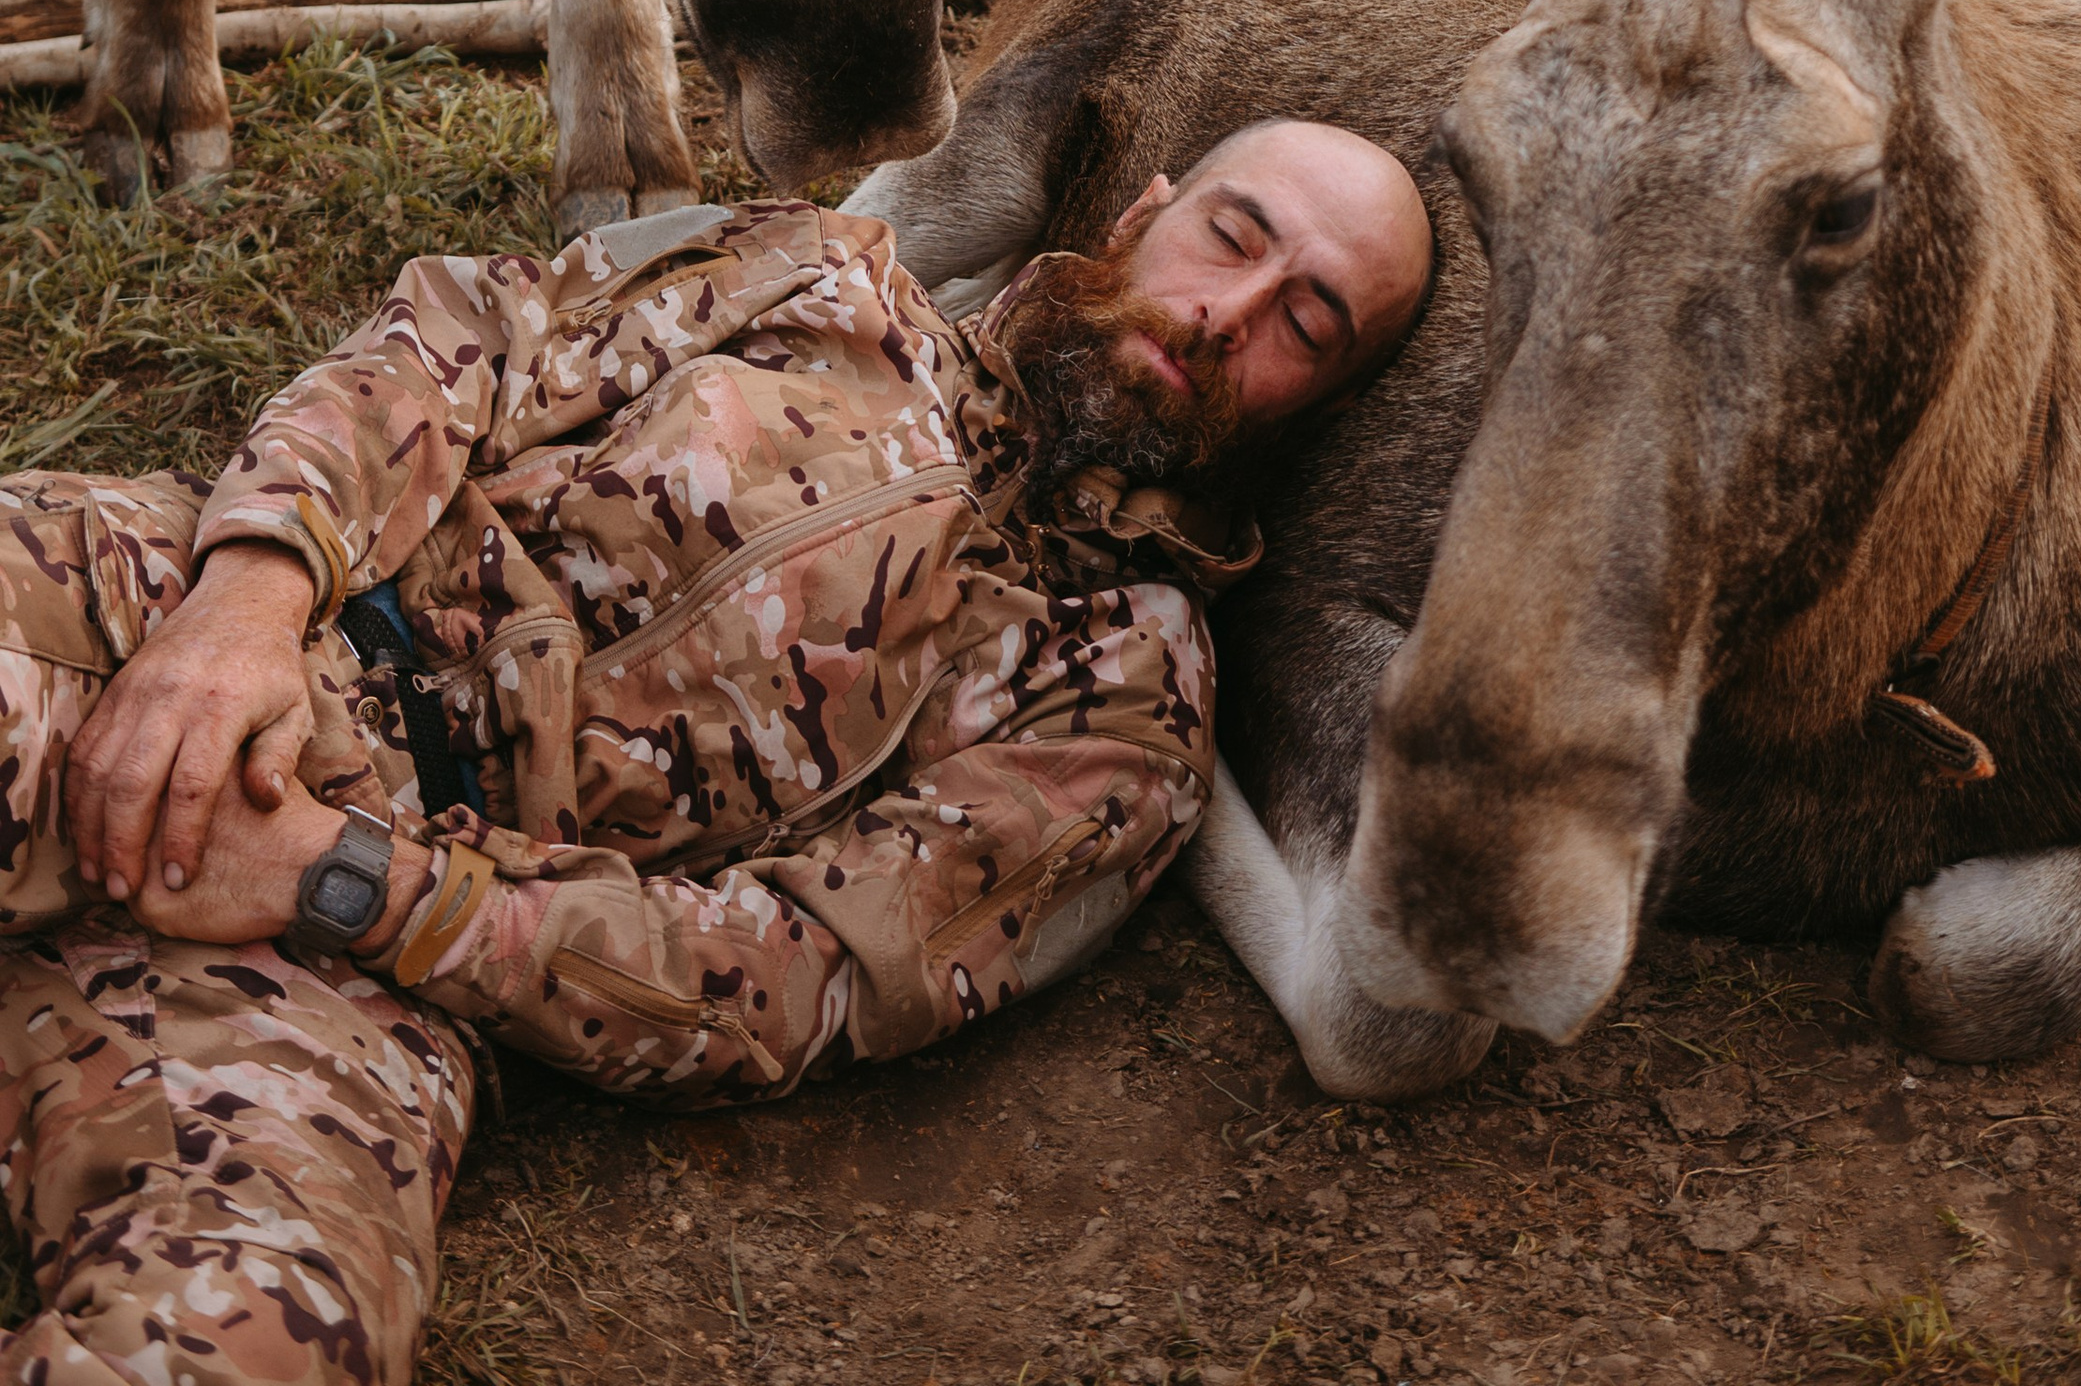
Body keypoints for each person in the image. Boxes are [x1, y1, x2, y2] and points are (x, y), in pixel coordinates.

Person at [0, 119, 1433, 1386]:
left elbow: (790, 974)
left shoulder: (1122, 702)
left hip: (367, 973)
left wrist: (348, 880)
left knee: (251, 1335)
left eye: (1305, 323)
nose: (1221, 314)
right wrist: (247, 599)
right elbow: (459, 346)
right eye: (1232, 238)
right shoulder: (824, 274)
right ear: (1144, 214)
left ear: (1325, 412)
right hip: (172, 634)